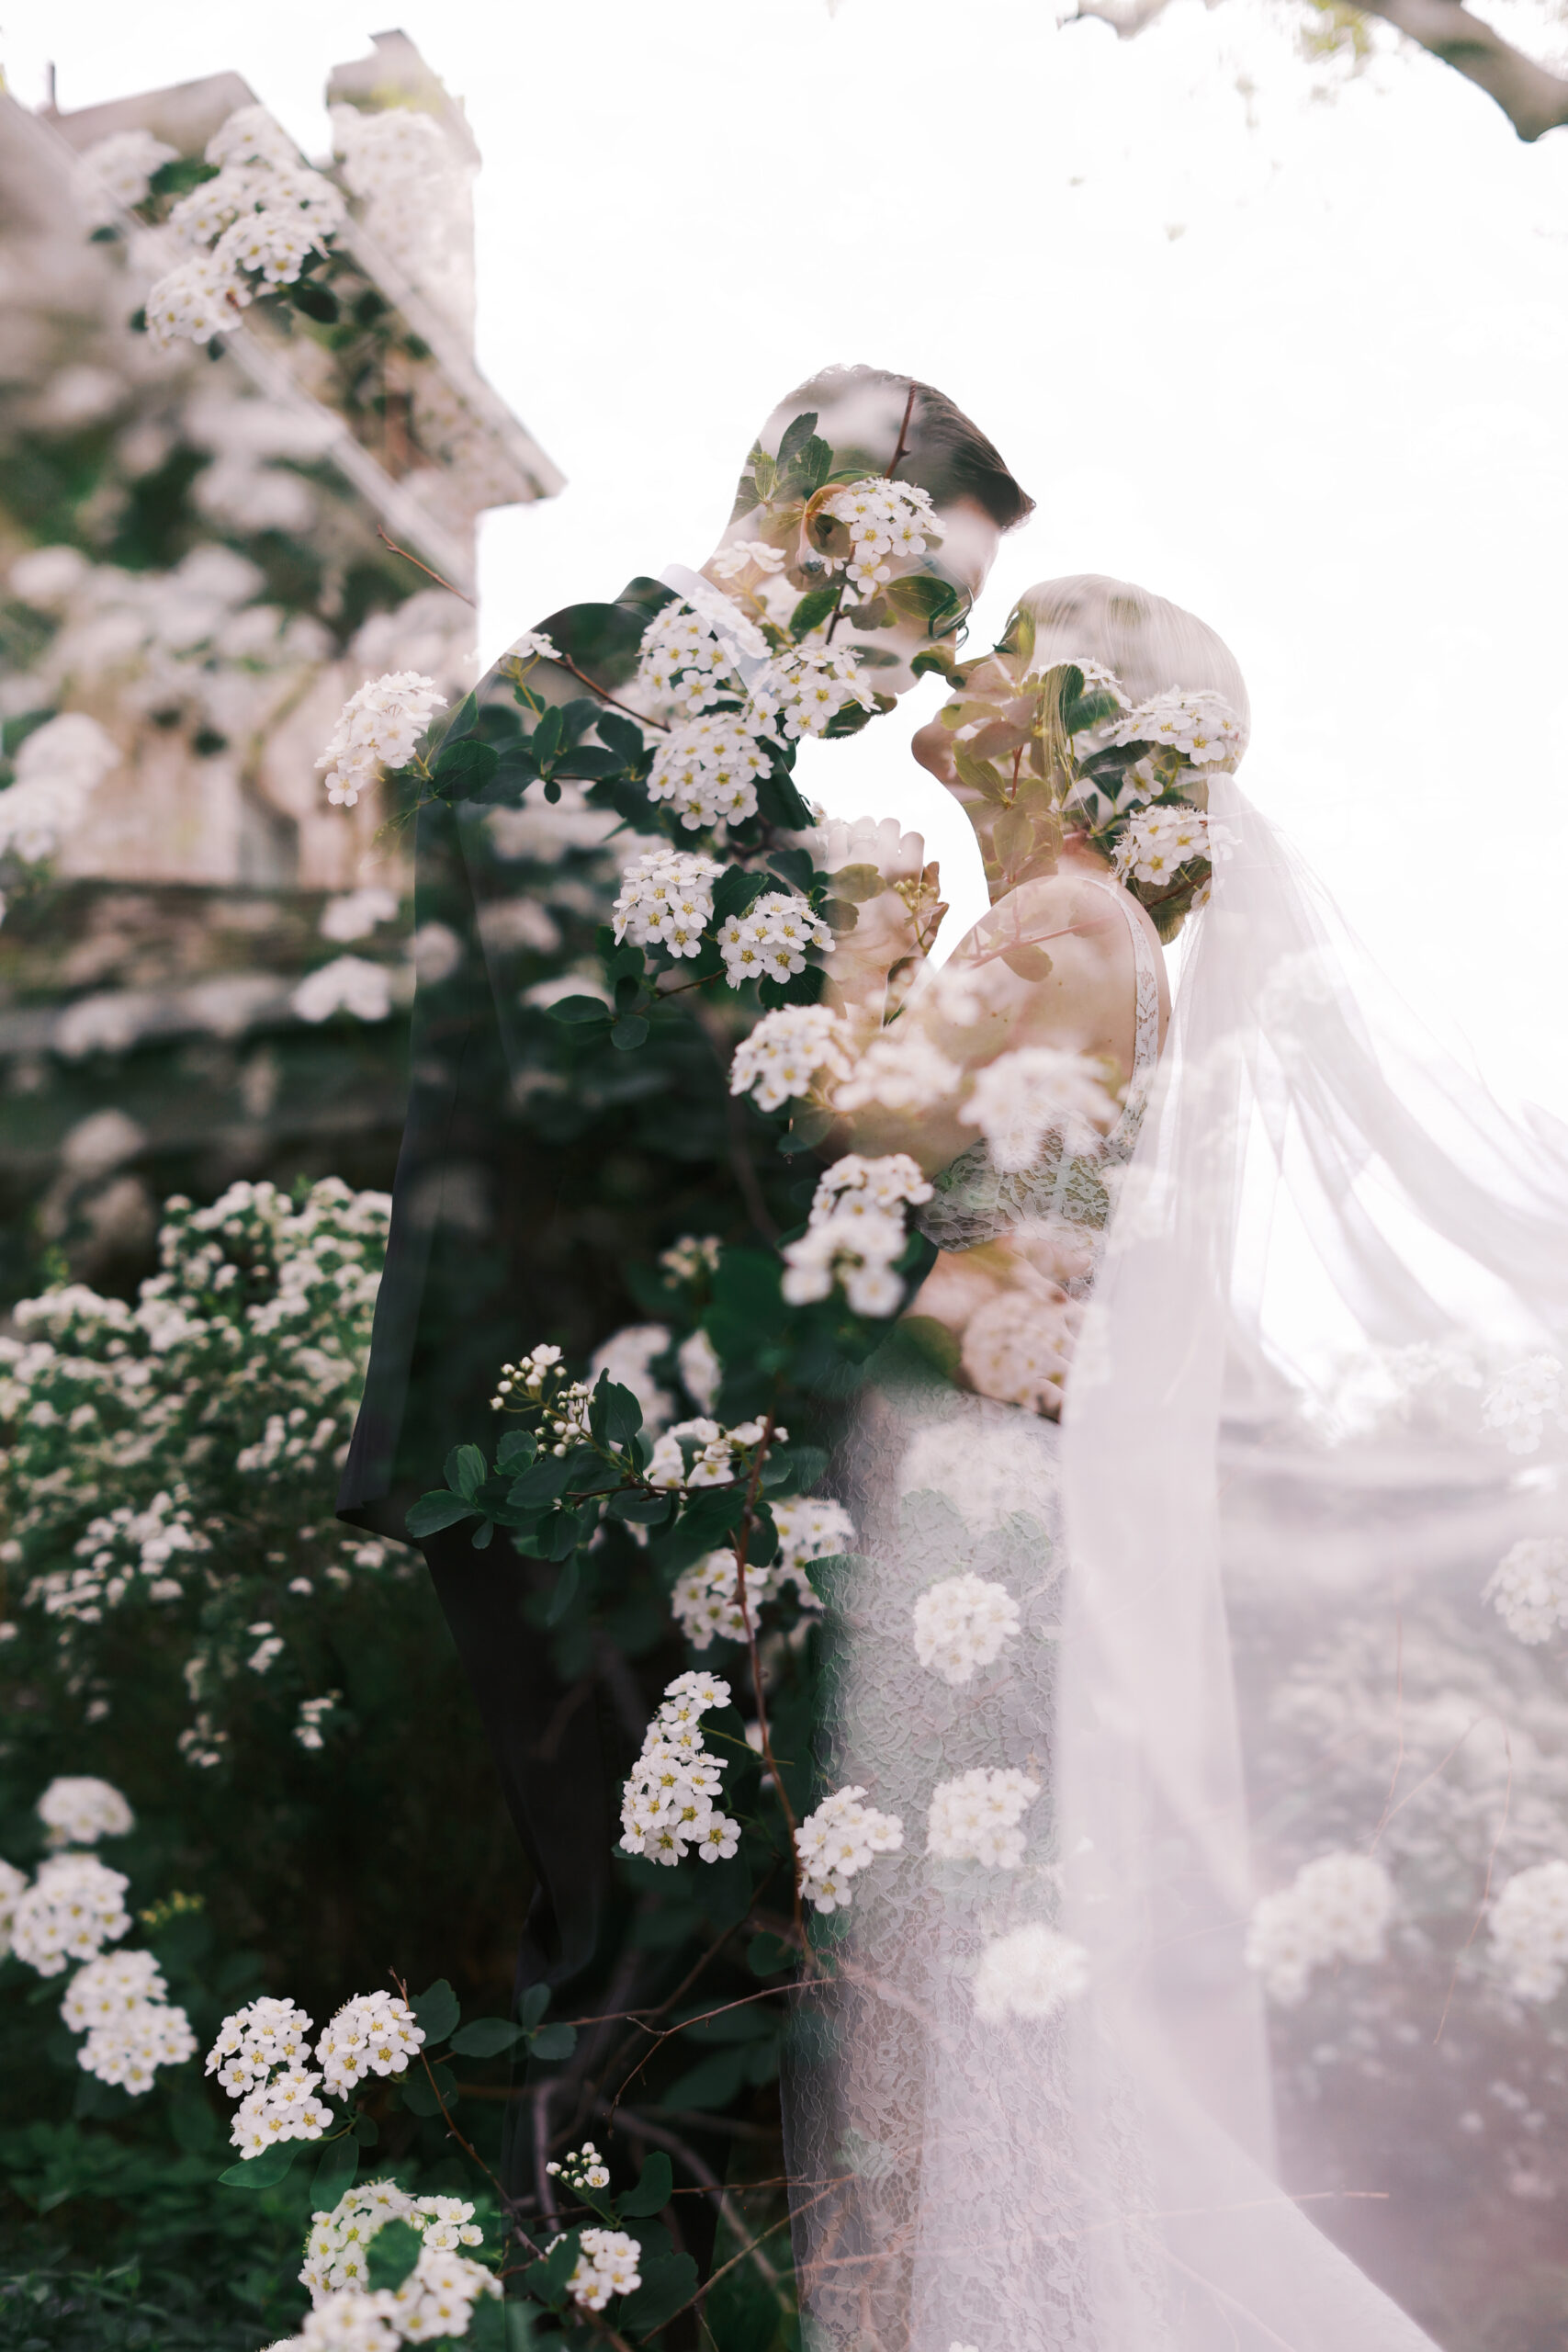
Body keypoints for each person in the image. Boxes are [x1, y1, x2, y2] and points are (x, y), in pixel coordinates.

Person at [784, 575, 1568, 2350]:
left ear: (1056, 723)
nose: (963, 664)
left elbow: (836, 1129)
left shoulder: (1051, 926)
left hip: (960, 1471)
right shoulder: (1094, 929)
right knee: (965, 1955)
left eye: (1005, 651)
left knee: (950, 1960)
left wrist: (832, 956)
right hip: (994, 1472)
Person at [334, 366, 1034, 2065]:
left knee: (686, 1957)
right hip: (559, 1419)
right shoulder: (576, 693)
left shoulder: (745, 767)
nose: (933, 657)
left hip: (672, 1418)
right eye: (931, 599)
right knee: (645, 1970)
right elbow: (606, 1095)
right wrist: (920, 1284)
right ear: (821, 528)